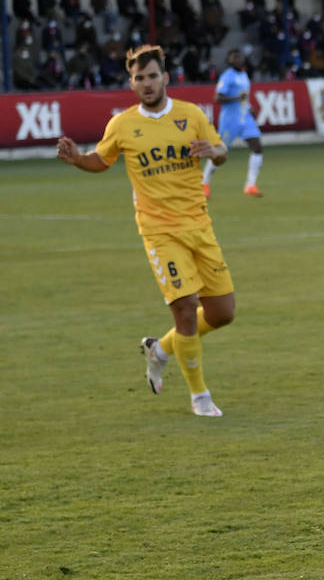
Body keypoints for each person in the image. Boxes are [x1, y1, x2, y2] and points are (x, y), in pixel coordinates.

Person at [54, 45, 234, 418]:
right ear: (131, 82)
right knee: (185, 309)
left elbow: (221, 151)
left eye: (152, 76)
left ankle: (161, 350)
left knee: (221, 313)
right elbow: (100, 161)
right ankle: (200, 398)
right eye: (139, 78)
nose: (147, 83)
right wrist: (76, 159)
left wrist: (213, 151)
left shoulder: (191, 114)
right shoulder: (122, 125)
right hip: (158, 231)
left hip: (198, 225)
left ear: (165, 77)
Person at [203, 48, 265, 198]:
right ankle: (204, 183)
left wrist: (249, 107)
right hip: (230, 120)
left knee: (257, 147)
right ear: (228, 61)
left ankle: (250, 185)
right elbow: (218, 98)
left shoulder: (244, 75)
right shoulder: (227, 76)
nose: (237, 60)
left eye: (239, 57)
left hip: (245, 118)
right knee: (220, 153)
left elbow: (244, 97)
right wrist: (237, 99)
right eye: (234, 58)